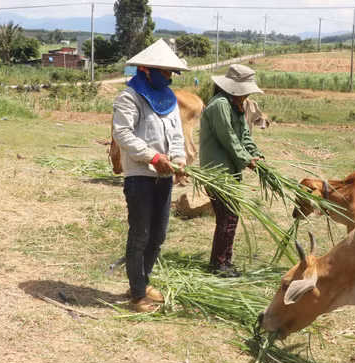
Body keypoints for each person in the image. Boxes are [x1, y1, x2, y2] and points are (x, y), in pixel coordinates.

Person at [112, 39, 189, 312]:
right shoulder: (129, 97)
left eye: (171, 73)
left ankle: (142, 282)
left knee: (158, 234)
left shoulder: (169, 100)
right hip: (140, 176)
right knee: (140, 234)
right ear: (147, 70)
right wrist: (153, 157)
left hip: (164, 178)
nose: (169, 77)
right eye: (166, 72)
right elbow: (122, 133)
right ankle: (136, 294)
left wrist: (178, 160)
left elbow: (177, 136)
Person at [200, 64, 265, 276]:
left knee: (231, 217)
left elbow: (245, 135)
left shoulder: (236, 105)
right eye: (245, 90)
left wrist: (256, 154)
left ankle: (223, 261)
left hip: (231, 172)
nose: (247, 95)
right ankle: (219, 264)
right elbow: (228, 137)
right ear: (234, 88)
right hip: (218, 172)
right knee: (227, 218)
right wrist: (246, 160)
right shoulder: (219, 105)